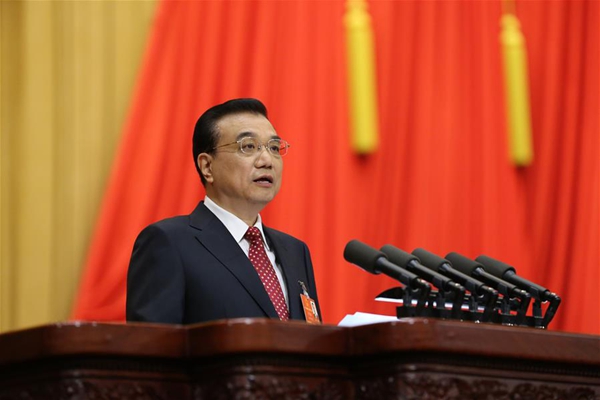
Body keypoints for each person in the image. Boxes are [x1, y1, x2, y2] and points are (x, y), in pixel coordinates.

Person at [126, 98, 321, 324]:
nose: (267, 160)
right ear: (207, 166)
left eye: (275, 148)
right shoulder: (168, 243)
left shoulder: (296, 252)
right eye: (248, 146)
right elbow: (152, 349)